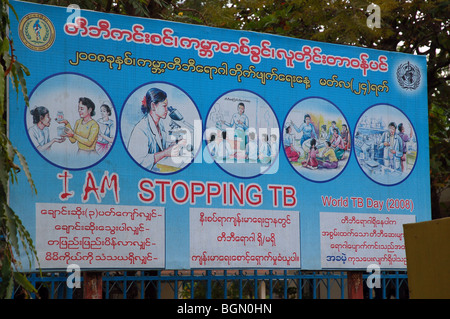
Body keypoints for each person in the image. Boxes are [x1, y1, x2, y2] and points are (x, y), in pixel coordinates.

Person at [127, 88, 185, 170]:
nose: (167, 110)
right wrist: (165, 153)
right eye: (164, 106)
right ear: (153, 106)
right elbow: (138, 162)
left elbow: (160, 146)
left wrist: (174, 144)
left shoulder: (160, 124)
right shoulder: (140, 129)